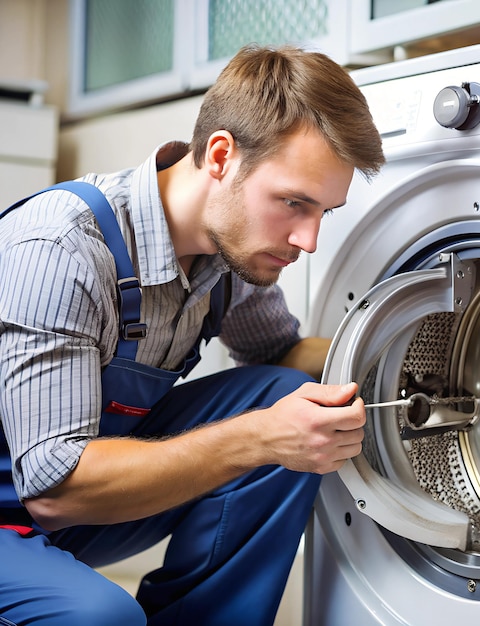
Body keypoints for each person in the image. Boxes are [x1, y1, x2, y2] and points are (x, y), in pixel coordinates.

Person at [0, 44, 384, 625]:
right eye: (293, 203)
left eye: (323, 213)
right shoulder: (63, 248)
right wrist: (259, 438)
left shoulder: (235, 258)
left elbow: (281, 356)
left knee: (282, 393)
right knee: (102, 618)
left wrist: (388, 353)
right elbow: (55, 489)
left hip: (67, 509)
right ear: (222, 156)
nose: (307, 240)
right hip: (35, 503)